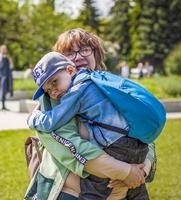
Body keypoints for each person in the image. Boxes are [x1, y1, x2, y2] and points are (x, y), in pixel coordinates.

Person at [24, 28, 156, 200]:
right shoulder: (51, 102)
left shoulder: (110, 86)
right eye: (69, 52)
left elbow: (144, 129)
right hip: (71, 193)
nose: (78, 57)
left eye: (85, 50)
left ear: (95, 54)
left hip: (125, 192)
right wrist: (126, 172)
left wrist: (143, 169)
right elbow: (73, 148)